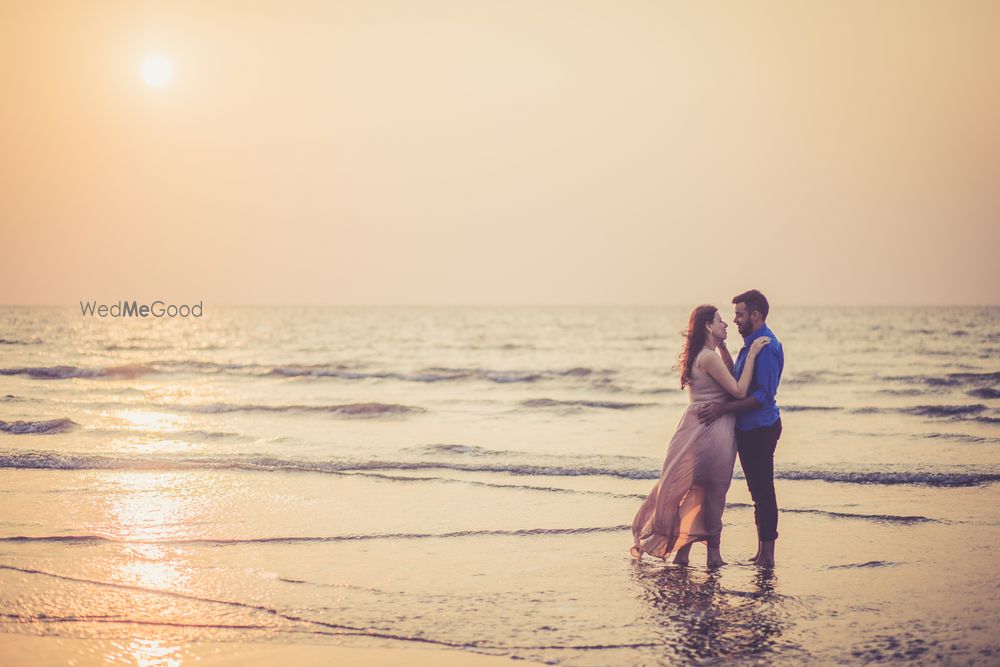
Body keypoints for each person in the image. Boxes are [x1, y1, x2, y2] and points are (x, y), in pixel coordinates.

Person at [630, 304, 769, 567]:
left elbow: (728, 373)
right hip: (712, 430)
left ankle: (683, 551)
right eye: (720, 321)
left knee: (690, 489)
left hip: (693, 427)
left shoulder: (703, 355)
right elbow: (739, 390)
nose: (726, 324)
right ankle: (713, 555)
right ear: (708, 325)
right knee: (714, 491)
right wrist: (751, 355)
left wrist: (723, 345)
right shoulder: (708, 357)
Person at [697, 290, 784, 566]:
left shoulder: (766, 347)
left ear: (755, 315)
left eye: (740, 314)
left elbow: (762, 396)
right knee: (757, 494)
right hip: (748, 429)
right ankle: (761, 553)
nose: (735, 320)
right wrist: (722, 348)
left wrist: (722, 409)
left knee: (764, 493)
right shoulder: (750, 343)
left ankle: (767, 556)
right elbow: (737, 381)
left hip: (761, 428)